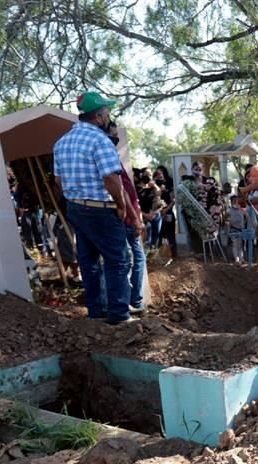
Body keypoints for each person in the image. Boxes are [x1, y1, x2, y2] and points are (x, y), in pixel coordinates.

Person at [53, 91, 131, 324]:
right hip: (101, 208)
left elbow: (58, 181)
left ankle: (96, 312)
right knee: (117, 260)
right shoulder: (100, 140)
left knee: (89, 261)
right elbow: (111, 179)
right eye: (107, 112)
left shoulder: (61, 142)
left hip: (75, 207)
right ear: (98, 116)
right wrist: (121, 205)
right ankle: (118, 315)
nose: (109, 116)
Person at [106, 120, 146, 313]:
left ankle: (129, 301)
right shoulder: (108, 157)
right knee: (130, 260)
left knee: (129, 259)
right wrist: (134, 217)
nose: (115, 138)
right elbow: (121, 191)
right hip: (124, 218)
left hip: (128, 215)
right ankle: (131, 301)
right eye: (113, 134)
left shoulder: (113, 157)